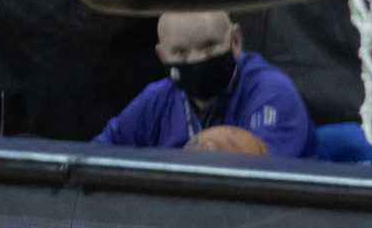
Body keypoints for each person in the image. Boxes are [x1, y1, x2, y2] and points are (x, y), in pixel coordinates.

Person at [93, 13, 313, 160]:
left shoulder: (271, 93)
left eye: (209, 47)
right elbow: (98, 156)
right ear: (162, 56)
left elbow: (266, 176)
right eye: (180, 52)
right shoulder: (157, 99)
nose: (196, 60)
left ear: (235, 41)